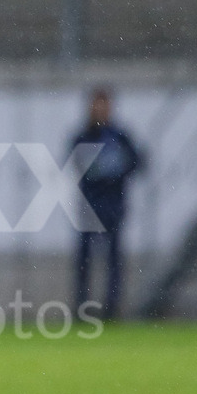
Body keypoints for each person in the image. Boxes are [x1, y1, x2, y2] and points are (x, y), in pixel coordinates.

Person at [70, 87, 142, 320]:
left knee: (113, 260)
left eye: (104, 104)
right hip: (89, 206)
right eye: (96, 104)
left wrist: (116, 170)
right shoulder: (83, 136)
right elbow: (74, 163)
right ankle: (82, 307)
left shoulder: (120, 136)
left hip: (113, 206)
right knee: (84, 260)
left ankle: (112, 308)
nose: (100, 110)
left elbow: (138, 162)